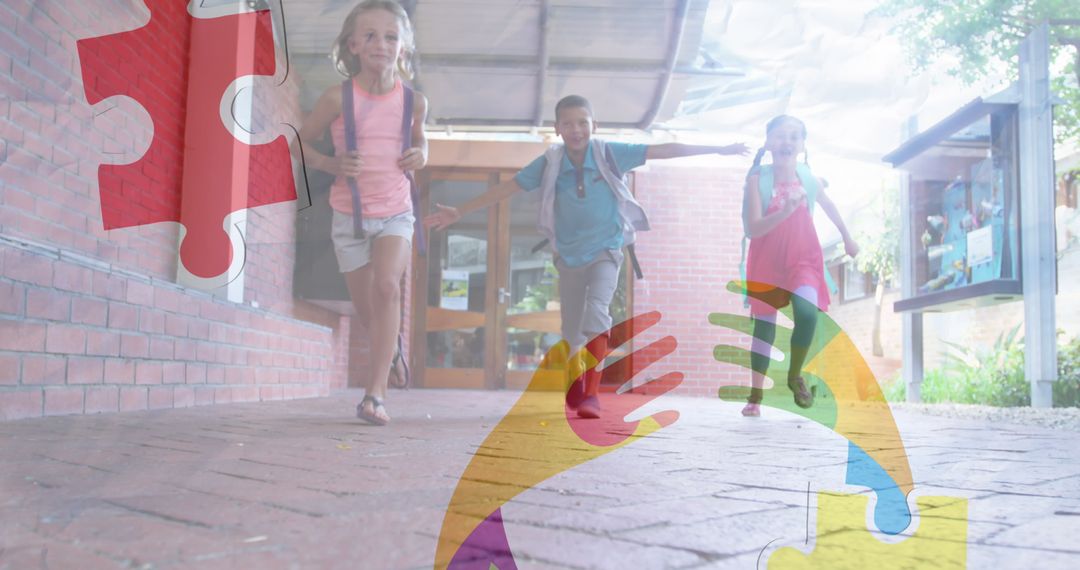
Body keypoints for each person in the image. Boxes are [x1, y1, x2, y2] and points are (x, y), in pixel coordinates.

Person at [425, 94, 747, 419]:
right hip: (568, 257)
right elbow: (508, 188)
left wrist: (718, 149)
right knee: (572, 331)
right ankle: (575, 382)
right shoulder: (551, 163)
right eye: (568, 123)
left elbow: (662, 150)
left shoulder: (609, 153)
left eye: (582, 122)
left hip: (606, 250)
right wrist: (460, 211)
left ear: (595, 125)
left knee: (597, 316)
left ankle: (591, 394)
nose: (576, 129)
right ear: (557, 128)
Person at [297, 0, 427, 426]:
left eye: (391, 37)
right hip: (348, 215)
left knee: (387, 288)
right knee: (368, 309)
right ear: (352, 45)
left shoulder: (413, 101)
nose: (381, 44)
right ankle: (391, 350)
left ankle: (375, 396)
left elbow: (421, 143)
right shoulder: (337, 98)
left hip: (395, 211)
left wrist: (420, 155)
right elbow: (296, 143)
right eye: (370, 35)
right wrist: (330, 164)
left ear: (404, 48)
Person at [740, 115, 859, 417]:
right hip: (767, 259)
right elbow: (753, 228)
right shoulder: (757, 179)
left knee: (807, 312)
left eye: (794, 136)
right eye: (780, 136)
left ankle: (795, 376)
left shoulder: (808, 177)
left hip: (803, 257)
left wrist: (847, 238)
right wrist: (787, 210)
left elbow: (829, 206)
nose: (787, 142)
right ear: (768, 143)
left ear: (802, 145)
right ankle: (755, 395)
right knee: (764, 326)